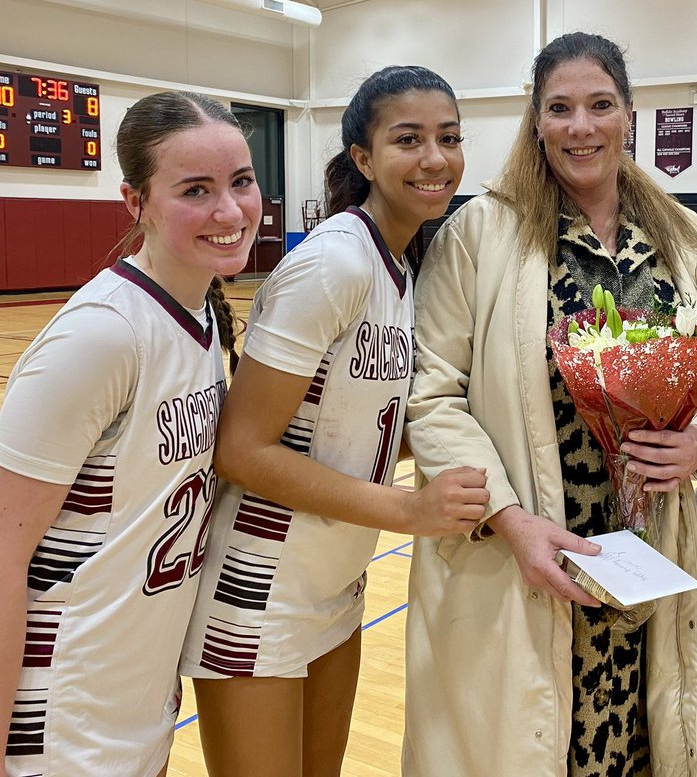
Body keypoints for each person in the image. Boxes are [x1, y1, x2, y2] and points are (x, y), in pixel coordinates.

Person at [402, 32, 697, 777]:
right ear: (536, 120)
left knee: (642, 745)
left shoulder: (685, 240)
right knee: (529, 743)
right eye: (560, 109)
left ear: (629, 113)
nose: (580, 127)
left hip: (648, 552)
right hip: (525, 552)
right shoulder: (478, 234)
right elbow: (430, 395)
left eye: (599, 106)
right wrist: (506, 517)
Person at [179, 66, 489, 777]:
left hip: (334, 582)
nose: (434, 158)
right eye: (408, 139)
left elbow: (359, 433)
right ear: (363, 158)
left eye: (448, 137)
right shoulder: (334, 264)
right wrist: (411, 509)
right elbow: (241, 449)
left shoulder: (404, 266)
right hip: (259, 588)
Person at [0, 91, 259, 776]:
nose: (230, 211)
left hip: (134, 705)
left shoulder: (203, 314)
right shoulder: (103, 335)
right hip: (58, 722)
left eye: (241, 182)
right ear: (134, 201)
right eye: (195, 190)